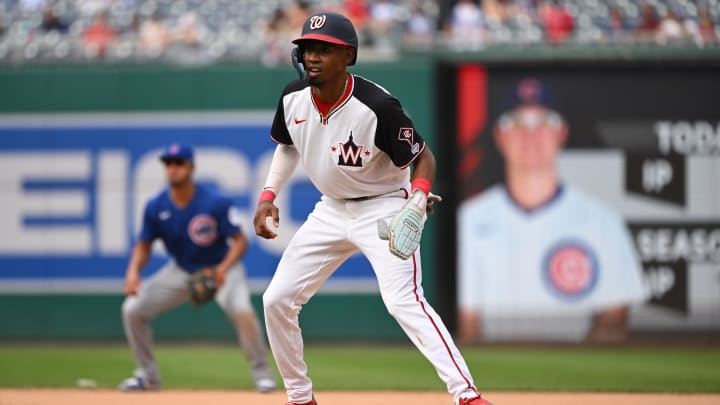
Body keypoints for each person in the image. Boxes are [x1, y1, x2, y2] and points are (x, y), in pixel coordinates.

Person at [253, 12, 492, 405]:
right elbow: (287, 146)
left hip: (382, 208)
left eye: (324, 49)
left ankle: (466, 395)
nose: (313, 56)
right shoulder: (292, 96)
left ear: (347, 55)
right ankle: (300, 397)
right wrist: (267, 197)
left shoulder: (377, 105)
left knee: (403, 301)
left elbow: (424, 157)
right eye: (308, 48)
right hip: (329, 210)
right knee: (276, 299)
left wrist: (416, 199)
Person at [457, 78, 647, 343]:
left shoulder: (601, 219)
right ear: (499, 136)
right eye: (517, 123)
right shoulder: (470, 218)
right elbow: (467, 325)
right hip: (493, 369)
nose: (531, 135)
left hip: (578, 369)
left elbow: (614, 318)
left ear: (562, 133)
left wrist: (577, 376)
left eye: (544, 123)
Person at [119, 143, 277, 393]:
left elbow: (240, 241)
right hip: (182, 271)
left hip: (221, 267)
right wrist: (133, 272)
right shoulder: (156, 206)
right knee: (133, 309)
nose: (172, 168)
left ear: (190, 167)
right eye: (168, 163)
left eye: (178, 163)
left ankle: (262, 374)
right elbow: (143, 245)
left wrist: (222, 270)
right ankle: (147, 376)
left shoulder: (215, 202)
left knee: (242, 311)